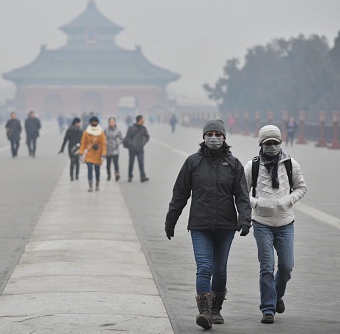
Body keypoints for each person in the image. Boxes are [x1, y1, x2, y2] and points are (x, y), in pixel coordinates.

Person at [165, 119, 252, 330]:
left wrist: (244, 219)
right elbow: (180, 194)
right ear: (204, 137)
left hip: (225, 225)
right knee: (204, 267)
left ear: (224, 137)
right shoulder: (192, 162)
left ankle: (216, 309)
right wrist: (171, 220)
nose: (214, 137)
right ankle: (204, 311)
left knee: (220, 269)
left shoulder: (234, 164)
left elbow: (242, 195)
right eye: (210, 134)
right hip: (200, 225)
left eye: (217, 134)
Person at [244, 125, 307, 324]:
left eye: (275, 143)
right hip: (262, 223)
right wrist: (256, 203)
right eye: (267, 143)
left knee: (287, 267)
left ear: (281, 143)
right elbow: (241, 193)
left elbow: (301, 187)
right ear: (261, 144)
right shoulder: (252, 166)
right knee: (266, 267)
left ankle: (277, 295)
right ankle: (268, 309)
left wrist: (287, 200)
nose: (272, 147)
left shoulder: (290, 164)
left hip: (286, 222)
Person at [79, 116, 106, 192]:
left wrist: (103, 153)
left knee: (97, 170)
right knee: (90, 168)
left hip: (98, 154)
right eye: (92, 122)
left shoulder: (101, 132)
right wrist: (81, 152)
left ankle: (97, 183)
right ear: (90, 123)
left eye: (95, 122)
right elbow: (83, 143)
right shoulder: (86, 132)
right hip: (89, 154)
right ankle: (90, 184)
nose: (94, 123)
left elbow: (103, 144)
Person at [124, 115, 150, 182]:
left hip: (140, 149)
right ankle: (130, 176)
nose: (144, 120)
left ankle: (142, 176)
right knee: (131, 163)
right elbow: (128, 137)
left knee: (141, 163)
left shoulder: (143, 128)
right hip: (132, 149)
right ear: (139, 120)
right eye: (143, 119)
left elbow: (147, 137)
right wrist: (131, 144)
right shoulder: (131, 128)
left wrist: (142, 143)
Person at [104, 117, 123, 181]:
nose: (112, 123)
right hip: (108, 149)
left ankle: (117, 174)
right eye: (110, 121)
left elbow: (121, 139)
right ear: (108, 122)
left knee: (115, 163)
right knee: (108, 163)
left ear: (115, 122)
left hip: (115, 149)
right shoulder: (106, 130)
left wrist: (117, 143)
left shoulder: (118, 130)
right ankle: (109, 174)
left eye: (113, 121)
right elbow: (102, 138)